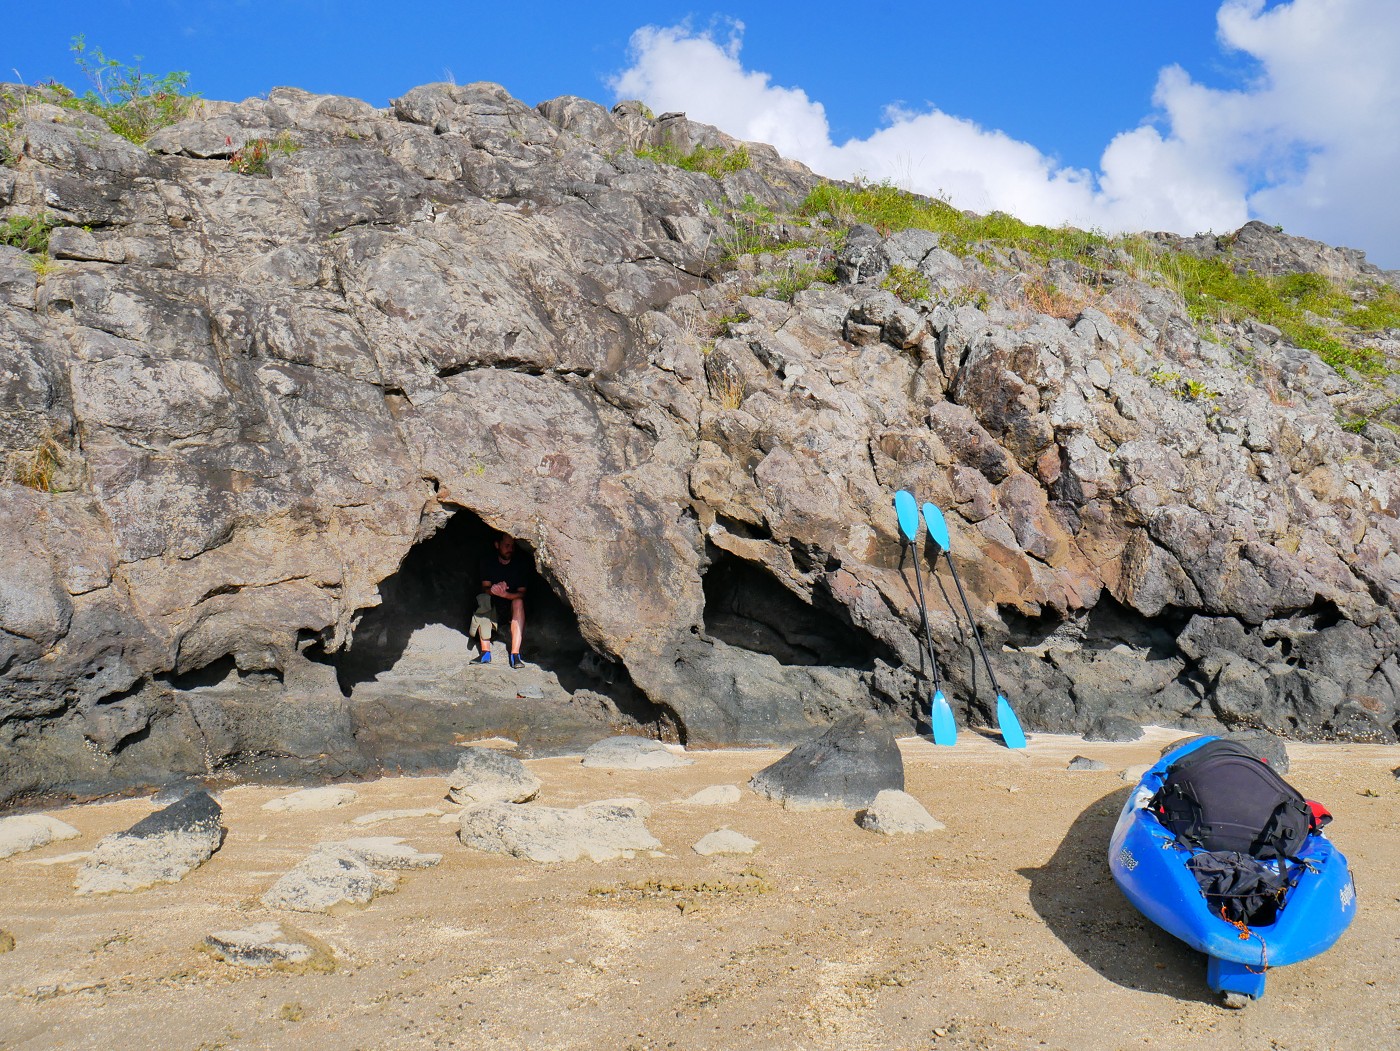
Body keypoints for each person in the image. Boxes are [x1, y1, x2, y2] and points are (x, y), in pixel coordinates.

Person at [477, 532, 528, 669]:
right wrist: (494, 590)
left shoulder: (519, 564)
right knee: (484, 599)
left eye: (512, 546)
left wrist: (505, 594)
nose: (509, 549)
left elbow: (522, 594)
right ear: (497, 545)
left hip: (510, 609)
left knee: (518, 602)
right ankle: (485, 652)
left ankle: (515, 655)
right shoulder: (488, 562)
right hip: (493, 608)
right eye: (506, 545)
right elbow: (485, 588)